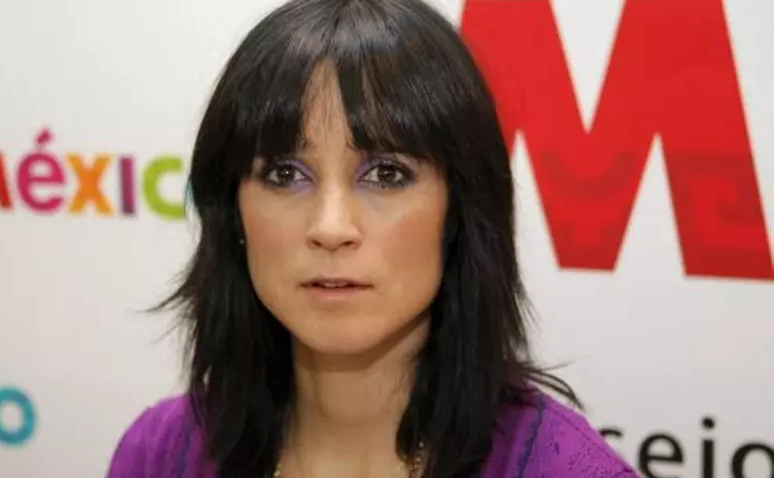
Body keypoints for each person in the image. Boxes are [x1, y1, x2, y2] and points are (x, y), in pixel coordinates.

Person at [107, 0, 639, 477]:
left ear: (459, 208)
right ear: (233, 213)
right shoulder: (158, 455)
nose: (331, 227)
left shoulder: (564, 469)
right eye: (285, 174)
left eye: (386, 174)